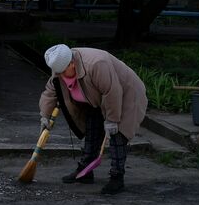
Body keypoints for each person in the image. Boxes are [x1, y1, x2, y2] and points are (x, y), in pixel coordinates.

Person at [39, 44, 148, 196]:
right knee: (92, 130)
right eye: (59, 73)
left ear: (72, 63)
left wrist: (111, 120)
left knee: (117, 135)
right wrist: (45, 115)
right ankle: (85, 171)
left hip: (126, 95)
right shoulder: (59, 67)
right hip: (96, 97)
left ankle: (117, 177)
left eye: (64, 72)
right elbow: (51, 91)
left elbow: (113, 91)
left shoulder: (96, 64)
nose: (62, 76)